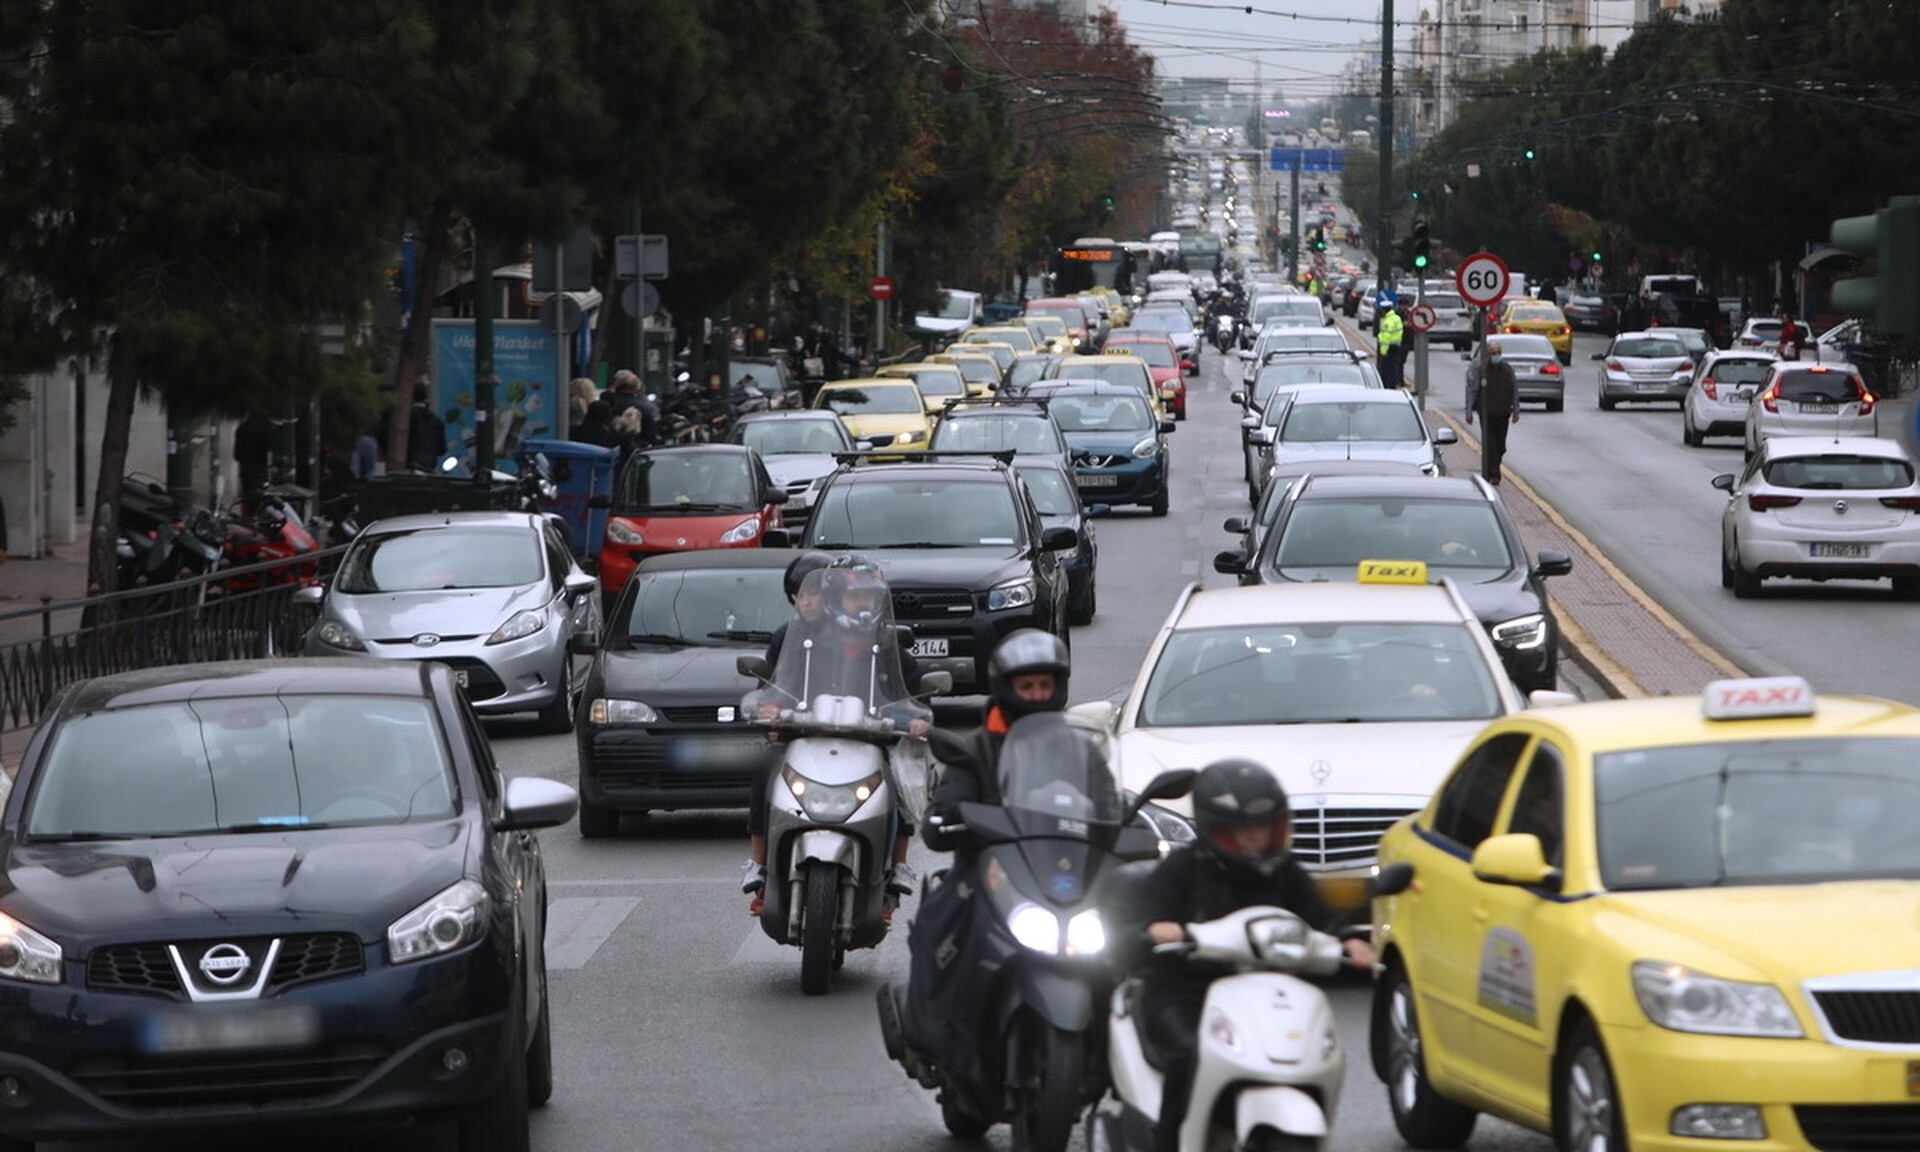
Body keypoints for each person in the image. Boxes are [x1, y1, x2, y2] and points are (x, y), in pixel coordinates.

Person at [1112, 761, 1375, 1152]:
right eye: (1241, 831)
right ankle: (1169, 1142)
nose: (1255, 839)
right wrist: (1156, 929)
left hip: (1266, 993)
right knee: (1189, 1052)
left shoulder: (1285, 872)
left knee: (1310, 1048)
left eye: (1266, 827)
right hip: (1185, 991)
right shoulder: (1184, 867)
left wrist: (1349, 939)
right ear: (1212, 829)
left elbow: (1320, 918)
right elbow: (1141, 920)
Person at [1466, 338, 1519, 485]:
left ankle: (1493, 468)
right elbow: (1473, 390)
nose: (1496, 355)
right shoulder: (1481, 370)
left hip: (1503, 412)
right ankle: (1494, 474)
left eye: (1498, 352)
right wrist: (1469, 410)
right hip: (1487, 413)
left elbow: (1514, 389)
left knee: (1500, 446)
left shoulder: (1507, 369)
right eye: (1493, 353)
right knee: (1490, 444)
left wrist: (1516, 409)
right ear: (1488, 355)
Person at [405, 381, 447, 472]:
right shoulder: (436, 421)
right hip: (429, 465)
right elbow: (442, 449)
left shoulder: (406, 418)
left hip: (410, 465)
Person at [1376, 299, 1406, 390]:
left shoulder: (1388, 321)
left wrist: (1383, 352)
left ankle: (1385, 387)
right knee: (1394, 368)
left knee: (1385, 370)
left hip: (1389, 348)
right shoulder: (1397, 318)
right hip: (1397, 346)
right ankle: (1393, 386)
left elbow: (1386, 338)